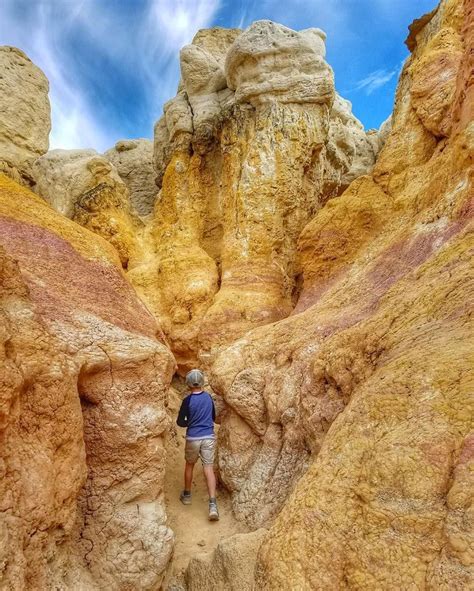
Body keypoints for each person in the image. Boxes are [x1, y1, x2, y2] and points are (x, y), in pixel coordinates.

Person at [176, 369, 219, 521]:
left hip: (193, 438)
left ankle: (187, 495)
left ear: (188, 384)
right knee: (208, 468)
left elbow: (180, 422)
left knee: (189, 465)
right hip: (208, 437)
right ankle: (213, 505)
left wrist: (190, 421)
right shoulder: (208, 398)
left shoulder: (187, 401)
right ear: (201, 382)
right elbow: (213, 417)